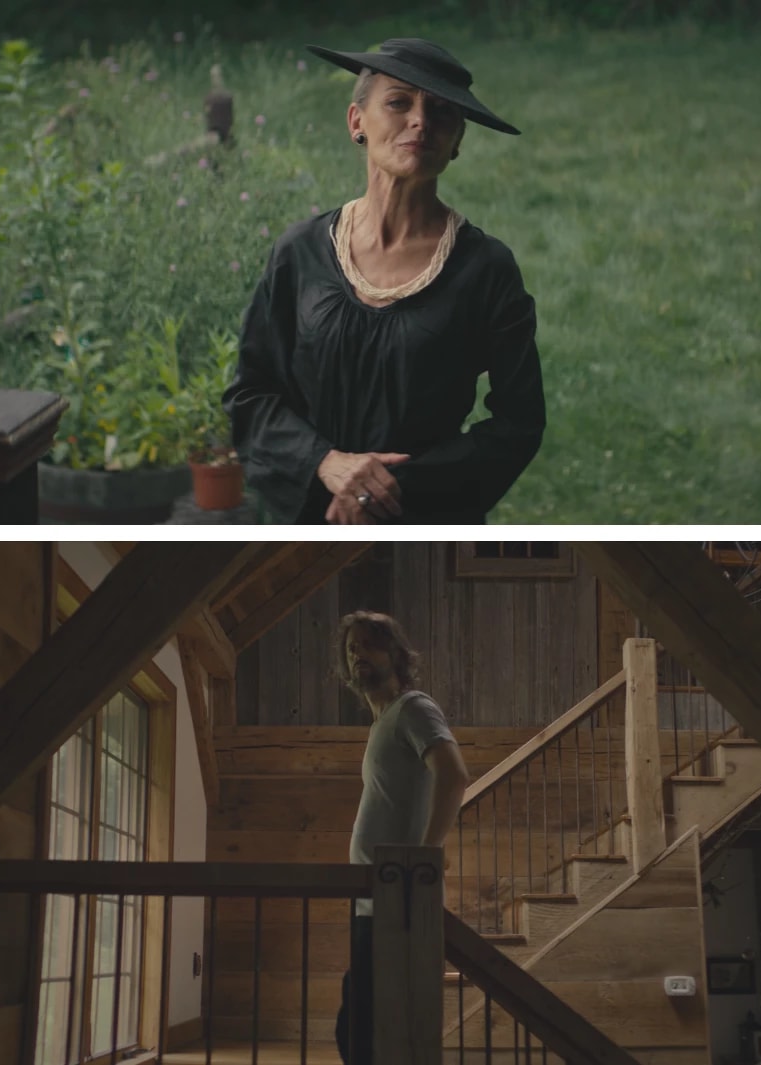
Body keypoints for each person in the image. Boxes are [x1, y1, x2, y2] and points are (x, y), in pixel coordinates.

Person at [223, 38, 546, 524]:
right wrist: (327, 463)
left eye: (440, 112)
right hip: (310, 512)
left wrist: (385, 487)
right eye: (399, 102)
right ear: (357, 121)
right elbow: (250, 393)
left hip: (424, 515)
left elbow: (519, 423)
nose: (420, 121)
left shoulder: (486, 270)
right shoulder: (301, 252)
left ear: (457, 140)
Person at [333, 610, 470, 1064]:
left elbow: (453, 775)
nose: (359, 656)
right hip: (374, 899)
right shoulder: (381, 724)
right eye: (352, 648)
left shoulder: (413, 708)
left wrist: (426, 858)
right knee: (359, 1028)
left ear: (394, 652)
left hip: (399, 900)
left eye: (370, 645)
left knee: (374, 1032)